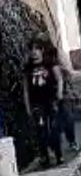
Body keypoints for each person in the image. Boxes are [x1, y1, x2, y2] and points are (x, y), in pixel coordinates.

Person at [24, 36, 65, 167]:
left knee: (54, 128)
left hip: (51, 100)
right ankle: (45, 156)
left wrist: (59, 93)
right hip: (37, 103)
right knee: (41, 129)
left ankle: (58, 154)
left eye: (36, 49)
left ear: (41, 50)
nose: (34, 52)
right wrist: (28, 107)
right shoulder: (28, 68)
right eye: (31, 49)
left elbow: (59, 79)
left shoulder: (50, 63)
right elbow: (26, 89)